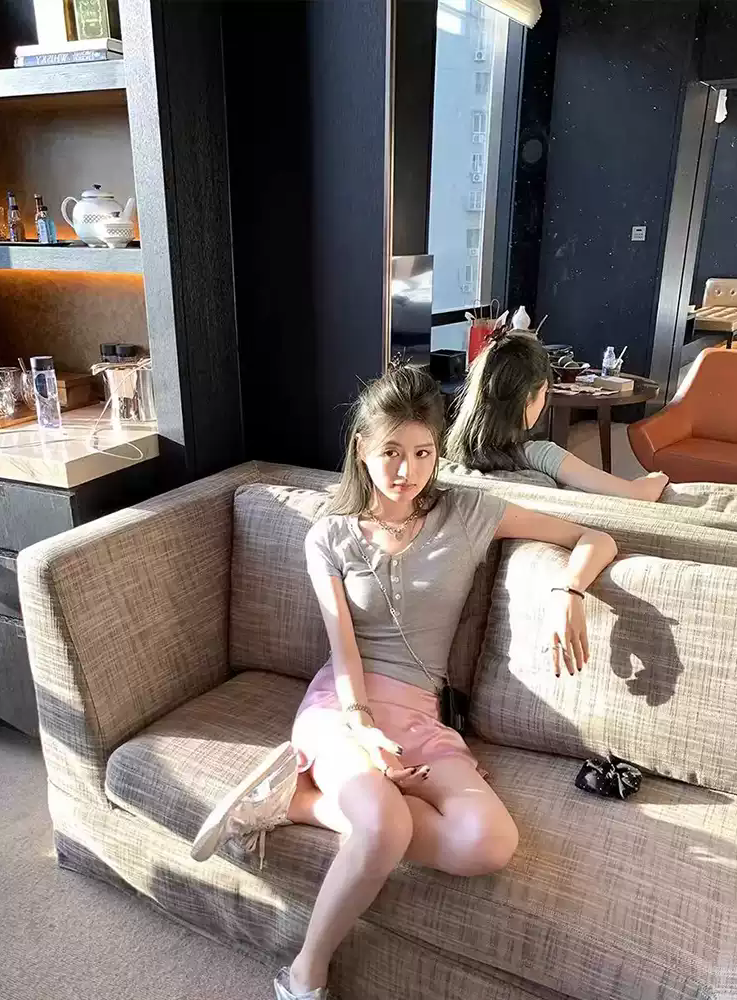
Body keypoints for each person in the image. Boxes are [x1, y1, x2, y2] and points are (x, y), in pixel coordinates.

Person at [190, 364, 618, 1000]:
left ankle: (295, 803)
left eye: (423, 453)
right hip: (343, 706)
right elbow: (343, 651)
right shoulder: (329, 536)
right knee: (385, 824)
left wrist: (568, 590)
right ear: (362, 447)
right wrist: (364, 732)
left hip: (420, 715)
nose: (407, 470)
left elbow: (595, 537)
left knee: (489, 842)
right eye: (391, 451)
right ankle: (304, 974)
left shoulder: (468, 513)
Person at [444, 331, 670, 501]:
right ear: (527, 398)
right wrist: (658, 478)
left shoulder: (447, 463)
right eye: (545, 392)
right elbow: (638, 494)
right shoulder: (540, 455)